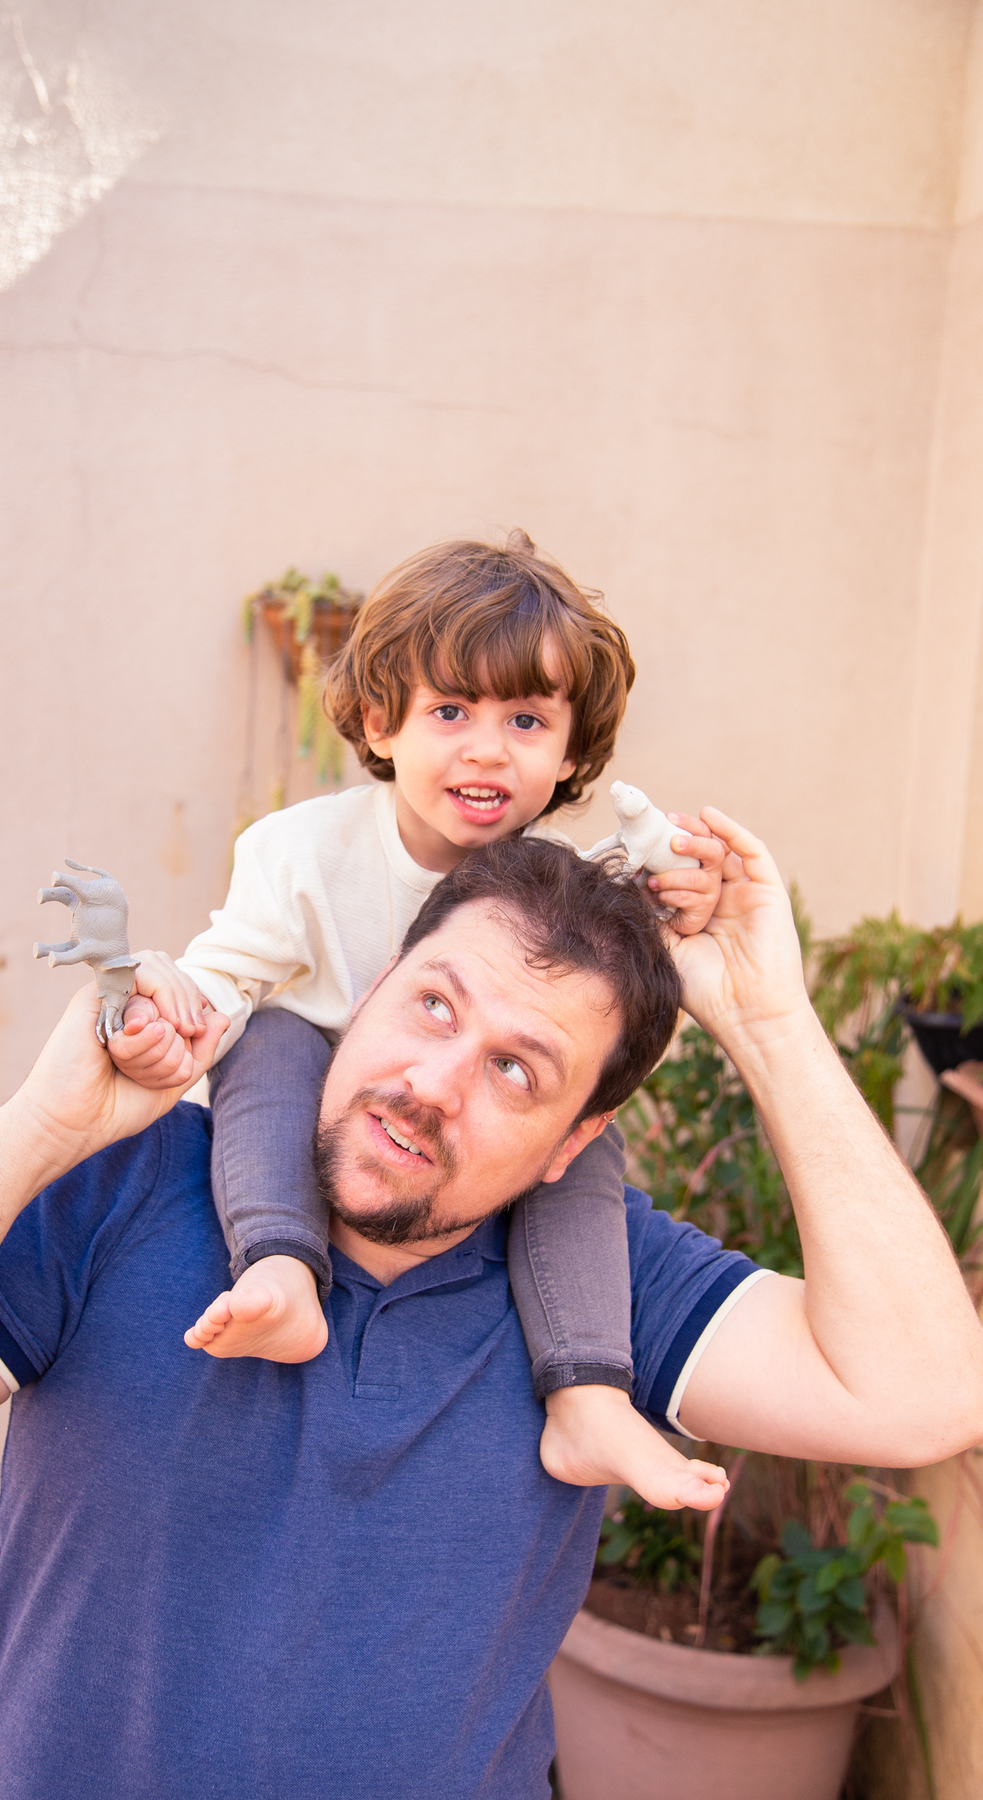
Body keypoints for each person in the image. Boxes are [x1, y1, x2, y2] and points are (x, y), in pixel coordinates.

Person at [0, 817, 981, 1800]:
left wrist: (771, 1025)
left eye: (517, 1070)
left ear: (576, 1141)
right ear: (365, 992)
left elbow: (925, 1398)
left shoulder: (602, 1284)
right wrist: (35, 1134)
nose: (434, 1084)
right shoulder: (128, 1186)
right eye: (433, 1007)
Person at [109, 532, 729, 1508]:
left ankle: (588, 1392)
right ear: (380, 722)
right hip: (312, 1088)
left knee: (584, 1138)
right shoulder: (301, 852)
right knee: (269, 1037)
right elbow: (224, 980)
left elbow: (614, 988)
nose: (487, 748)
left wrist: (681, 895)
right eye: (449, 711)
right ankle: (282, 1267)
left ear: (571, 751)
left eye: (526, 720)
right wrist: (166, 1015)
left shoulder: (560, 893)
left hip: (460, 1135)